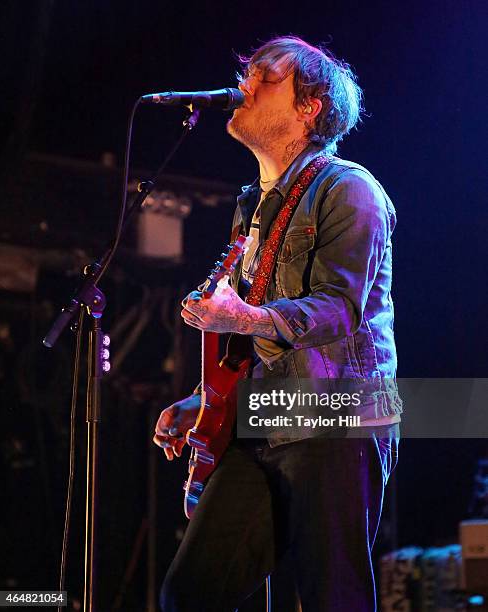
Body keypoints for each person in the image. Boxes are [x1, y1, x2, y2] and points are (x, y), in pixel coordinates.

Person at [153, 35, 402, 611]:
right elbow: (246, 333)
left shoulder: (349, 189)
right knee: (189, 593)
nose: (246, 80)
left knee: (328, 596)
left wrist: (243, 315)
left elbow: (339, 309)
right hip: (265, 415)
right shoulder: (253, 208)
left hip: (338, 409)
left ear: (308, 106)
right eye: (247, 68)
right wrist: (206, 400)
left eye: (265, 73)